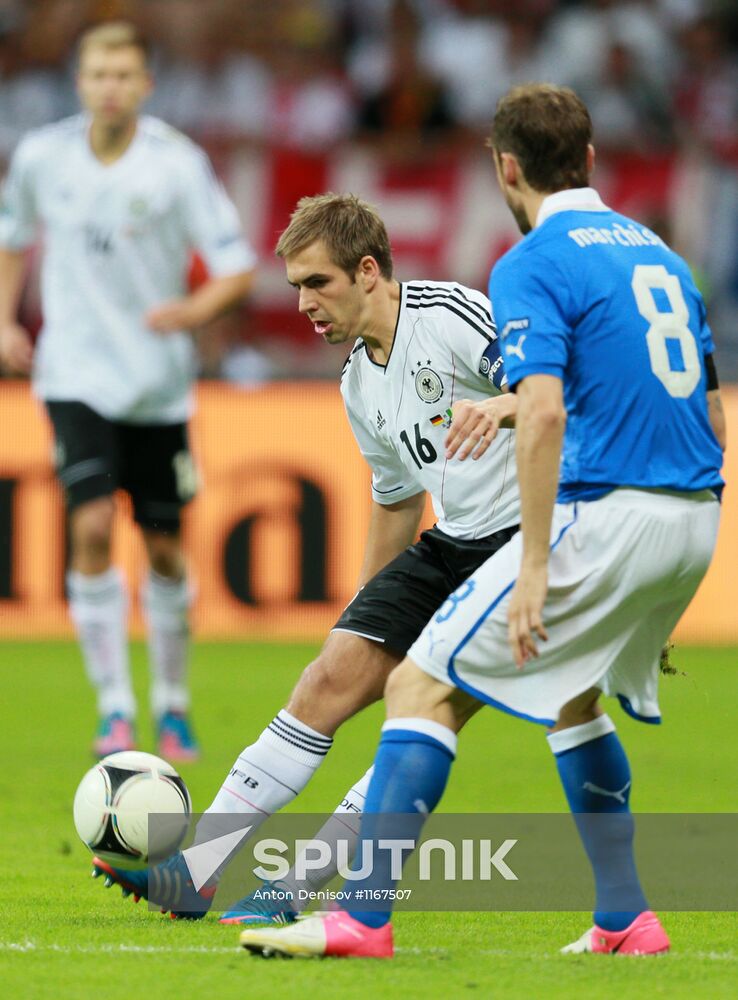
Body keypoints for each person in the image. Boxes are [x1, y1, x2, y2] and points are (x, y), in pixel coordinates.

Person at [238, 83, 726, 959]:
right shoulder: (659, 253)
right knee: (572, 708)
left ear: (505, 167)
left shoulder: (526, 265)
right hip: (689, 506)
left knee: (419, 691)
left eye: (317, 282)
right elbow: (714, 407)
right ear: (587, 159)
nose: (308, 301)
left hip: (581, 514)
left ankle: (357, 914)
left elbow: (538, 408)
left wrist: (540, 560)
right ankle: (626, 919)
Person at [90, 191, 520, 920]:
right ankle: (195, 872)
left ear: (368, 271)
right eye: (294, 287)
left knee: (419, 711)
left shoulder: (449, 315)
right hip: (453, 540)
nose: (303, 304)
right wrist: (365, 618)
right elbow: (395, 500)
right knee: (326, 680)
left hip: (529, 544)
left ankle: (294, 889)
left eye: (317, 283)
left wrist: (506, 402)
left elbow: (556, 388)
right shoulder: (357, 380)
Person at [0, 22, 257, 760]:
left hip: (155, 385)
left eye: (123, 75)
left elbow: (236, 267)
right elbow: (13, 236)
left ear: (145, 84)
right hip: (73, 373)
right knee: (87, 528)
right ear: (78, 82)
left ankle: (171, 704)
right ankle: (114, 706)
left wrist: (193, 311)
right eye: (97, 74)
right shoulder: (42, 158)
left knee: (166, 547)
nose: (109, 87)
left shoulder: (176, 166)